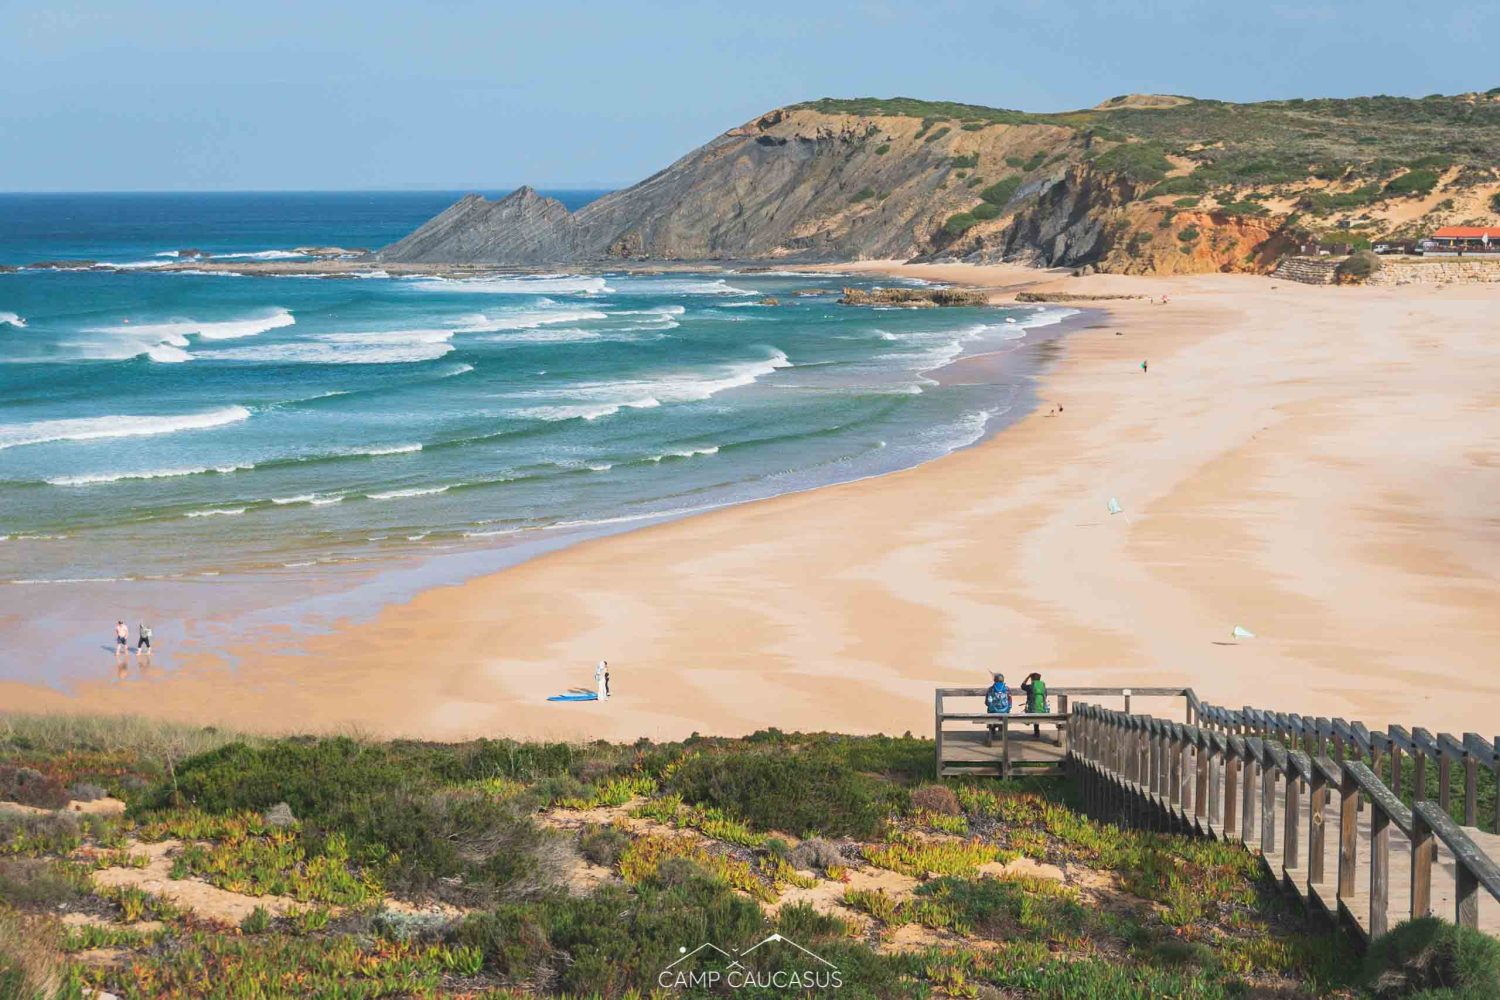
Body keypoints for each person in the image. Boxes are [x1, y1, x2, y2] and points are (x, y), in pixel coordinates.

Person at [1021, 672, 1049, 738]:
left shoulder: (1030, 687)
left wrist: (1027, 677)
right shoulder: (1043, 687)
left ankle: (1029, 723)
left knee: (1031, 710)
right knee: (1037, 710)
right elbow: (1045, 696)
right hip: (1042, 710)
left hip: (1031, 710)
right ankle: (1036, 732)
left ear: (1032, 679)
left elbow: (1022, 686)